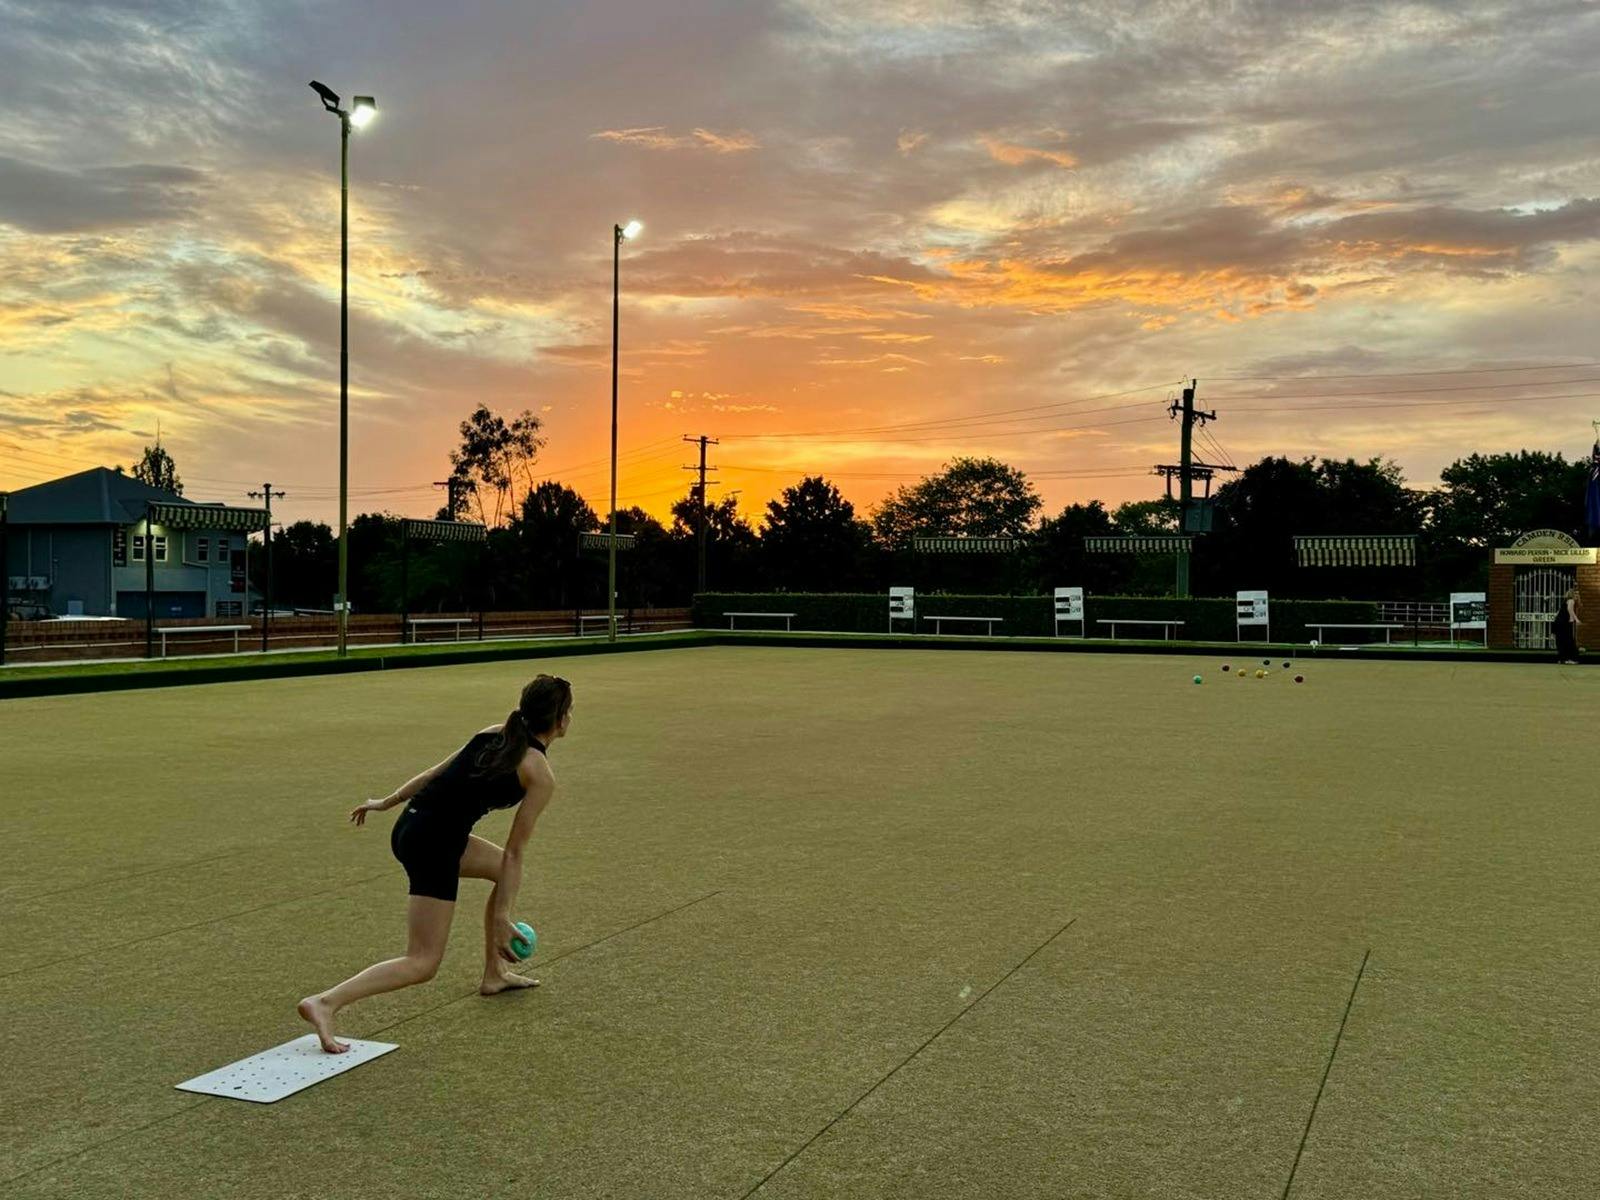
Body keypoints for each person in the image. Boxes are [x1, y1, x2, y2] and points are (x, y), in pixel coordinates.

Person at [297, 674, 570, 1053]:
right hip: (434, 843)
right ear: (561, 720)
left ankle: (494, 974)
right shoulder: (538, 773)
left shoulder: (495, 732)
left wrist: (387, 803)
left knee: (497, 870)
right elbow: (515, 853)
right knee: (422, 962)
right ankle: (325, 1002)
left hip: (413, 826)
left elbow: (434, 774)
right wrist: (503, 917)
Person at [1554, 585, 1581, 664]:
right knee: (1569, 640)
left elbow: (1557, 613)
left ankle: (1562, 659)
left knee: (1561, 641)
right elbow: (1570, 610)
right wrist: (1576, 619)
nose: (1577, 595)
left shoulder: (1565, 601)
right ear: (1572, 594)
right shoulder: (1571, 601)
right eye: (1576, 594)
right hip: (1564, 623)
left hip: (1559, 623)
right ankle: (1570, 659)